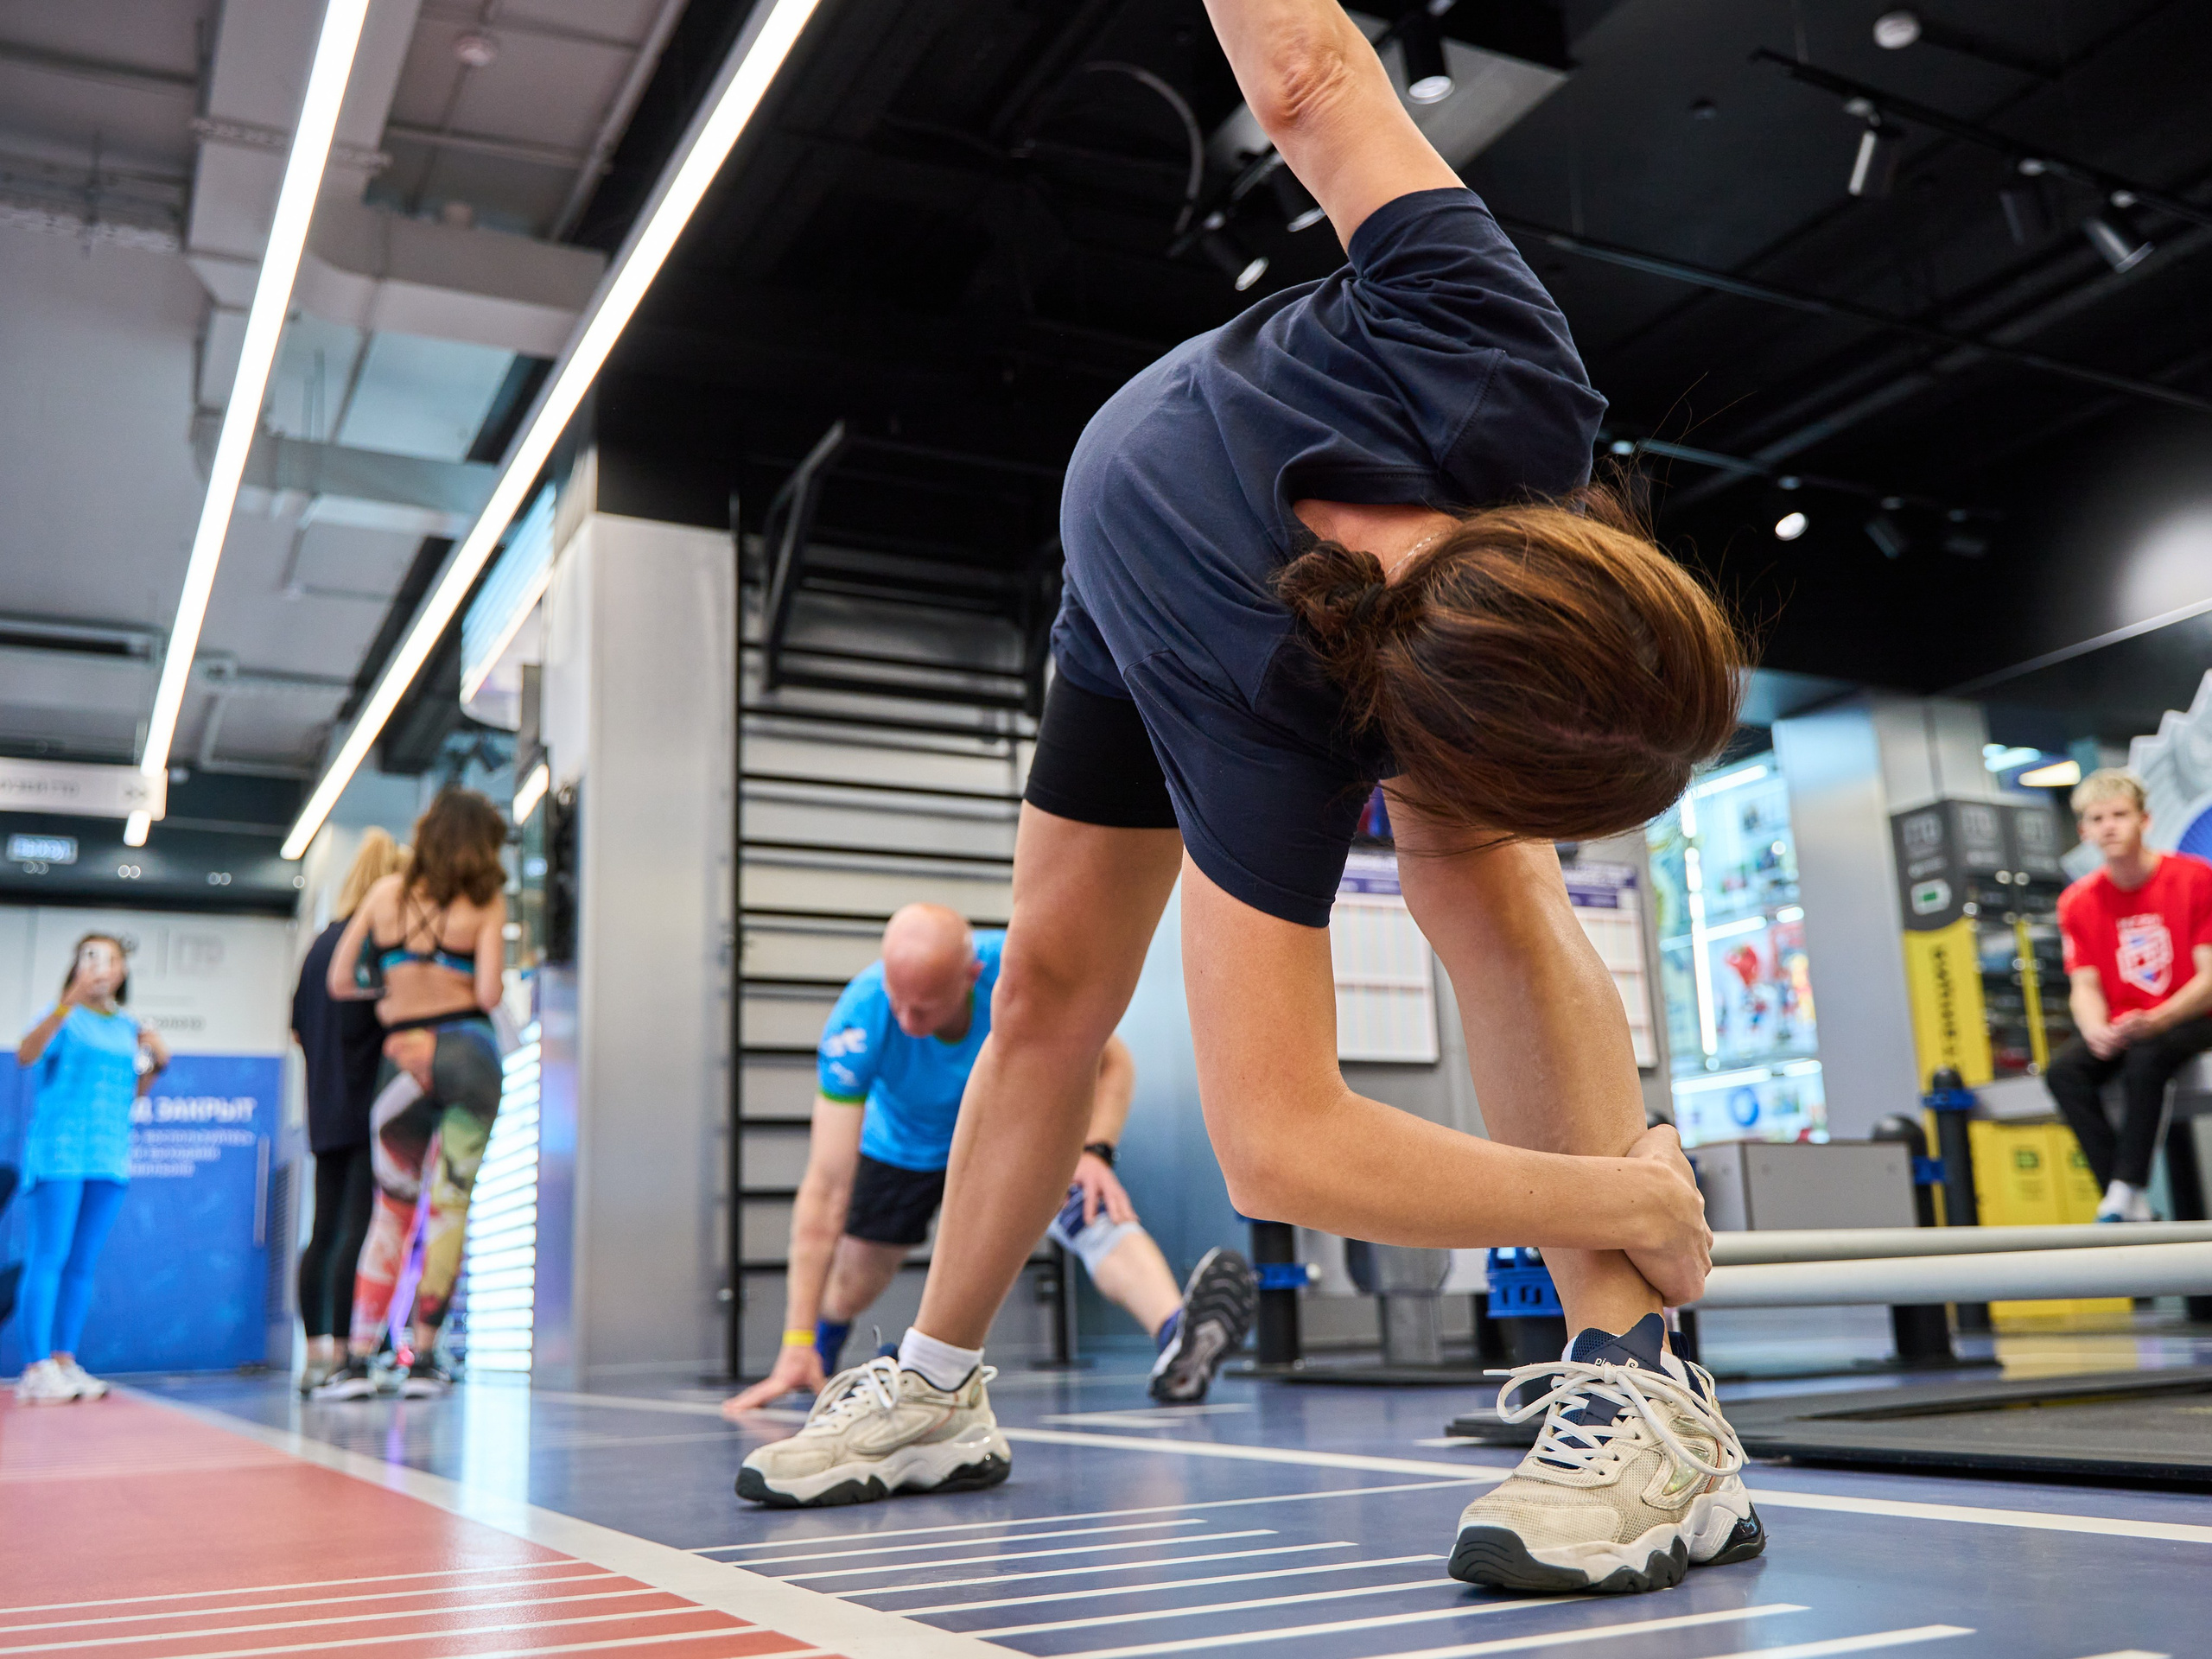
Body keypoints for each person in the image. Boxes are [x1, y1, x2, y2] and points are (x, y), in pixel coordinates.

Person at [741, 0, 1750, 1596]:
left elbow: (1276, 1149)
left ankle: (1641, 1390)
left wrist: (1614, 1208)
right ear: (1573, 539)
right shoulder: (1503, 375)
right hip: (1117, 604)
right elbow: (1308, 72)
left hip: (1167, 632)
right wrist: (1631, 1187)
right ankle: (932, 1387)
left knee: (1488, 886)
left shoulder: (1290, 725)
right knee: (1043, 990)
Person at [721, 905, 1255, 1443]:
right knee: (853, 1284)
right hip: (902, 1148)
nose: (907, 1022)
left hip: (1005, 1135)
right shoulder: (859, 1019)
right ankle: (816, 1356)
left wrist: (1093, 1151)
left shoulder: (1016, 969)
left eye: (923, 1008)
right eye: (897, 1001)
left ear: (971, 976)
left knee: (1092, 1209)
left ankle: (1177, 1339)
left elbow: (1113, 1062)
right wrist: (796, 1339)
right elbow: (826, 1188)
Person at [313, 789, 509, 1400]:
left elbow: (340, 980)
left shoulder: (384, 895)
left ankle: (357, 1358)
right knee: (451, 1206)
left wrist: (392, 994)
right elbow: (490, 993)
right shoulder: (485, 903)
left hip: (400, 1057)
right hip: (470, 1053)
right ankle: (423, 1358)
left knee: (390, 1210)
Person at [2045, 768, 2212, 1222]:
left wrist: (2159, 1019)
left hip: (2195, 1014)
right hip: (2131, 1021)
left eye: (2120, 815)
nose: (2109, 827)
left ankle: (2125, 1188)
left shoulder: (2195, 877)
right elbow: (2084, 985)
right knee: (2064, 1072)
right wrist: (2094, 1030)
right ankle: (2124, 1198)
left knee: (2146, 1055)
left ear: (2145, 820)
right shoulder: (2077, 901)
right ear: (2084, 830)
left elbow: (2209, 977)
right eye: (2097, 819)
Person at [12, 934, 168, 1404]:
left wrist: (156, 1064)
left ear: (123, 971)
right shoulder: (60, 1014)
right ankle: (36, 1367)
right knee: (49, 1257)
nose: (103, 966)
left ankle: (64, 1360)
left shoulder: (128, 1027)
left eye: (112, 959)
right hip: (59, 1155)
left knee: (81, 1264)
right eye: (93, 957)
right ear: (78, 965)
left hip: (108, 1156)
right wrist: (69, 1001)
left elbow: (131, 1096)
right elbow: (25, 1055)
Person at [290, 828, 409, 1394]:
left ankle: (317, 1353)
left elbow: (296, 1027)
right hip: (368, 1104)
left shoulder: (318, 947)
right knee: (357, 1232)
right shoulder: (375, 948)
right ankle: (346, 1355)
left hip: (323, 1105)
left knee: (323, 1230)